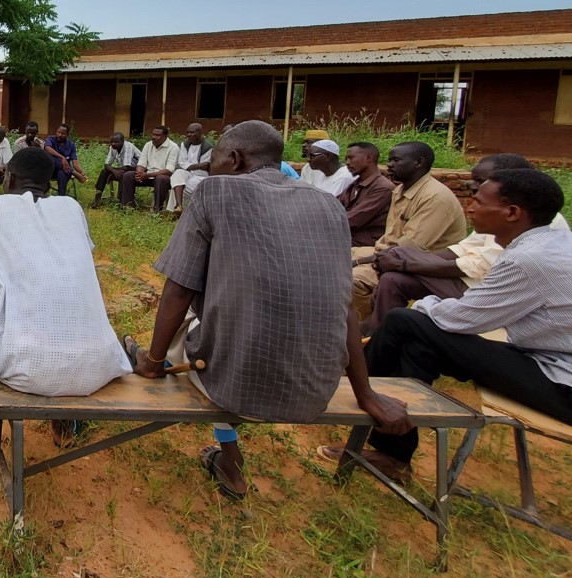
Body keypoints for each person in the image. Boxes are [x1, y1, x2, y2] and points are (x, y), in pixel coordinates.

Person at [126, 120, 410, 498]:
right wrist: (366, 394)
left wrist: (153, 360)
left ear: (235, 158)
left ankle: (229, 462)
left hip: (234, 383)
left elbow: (179, 288)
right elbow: (345, 309)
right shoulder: (328, 205)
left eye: (216, 160)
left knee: (192, 328)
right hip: (313, 389)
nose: (211, 168)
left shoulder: (214, 193)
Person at [321, 168, 572, 481]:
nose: (470, 207)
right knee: (418, 345)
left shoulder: (530, 258)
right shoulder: (553, 243)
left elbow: (462, 319)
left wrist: (425, 307)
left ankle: (356, 395)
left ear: (512, 213)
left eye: (479, 202)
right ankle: (392, 453)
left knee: (404, 320)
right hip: (571, 372)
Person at [0, 148, 131, 453]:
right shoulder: (72, 208)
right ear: (48, 182)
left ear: (9, 177)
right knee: (63, 304)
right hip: (95, 365)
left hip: (26, 366)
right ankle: (63, 425)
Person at [361, 154, 571, 334]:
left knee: (397, 276)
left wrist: (405, 264)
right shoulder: (501, 211)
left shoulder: (537, 221)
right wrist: (400, 257)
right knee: (394, 271)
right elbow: (462, 249)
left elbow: (478, 267)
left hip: (489, 294)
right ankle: (377, 334)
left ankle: (378, 336)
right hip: (468, 280)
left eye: (482, 181)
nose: (475, 188)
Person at [351, 141, 467, 322]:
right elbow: (391, 238)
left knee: (350, 280)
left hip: (419, 262)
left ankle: (367, 328)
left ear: (419, 163)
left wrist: (360, 261)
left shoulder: (434, 197)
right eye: (389, 160)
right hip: (386, 251)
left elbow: (409, 248)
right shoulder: (399, 190)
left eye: (395, 160)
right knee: (331, 258)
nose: (389, 165)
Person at [338, 142, 394, 247]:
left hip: (365, 242)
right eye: (346, 159)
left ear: (369, 158)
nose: (347, 163)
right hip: (347, 236)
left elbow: (354, 219)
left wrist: (322, 223)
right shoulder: (355, 184)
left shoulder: (383, 187)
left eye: (351, 158)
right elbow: (335, 204)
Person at [121, 125, 175, 211]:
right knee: (128, 175)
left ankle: (157, 209)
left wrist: (146, 175)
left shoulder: (173, 147)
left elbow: (169, 170)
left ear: (165, 136)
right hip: (147, 175)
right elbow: (141, 163)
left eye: (157, 135)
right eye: (153, 134)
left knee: (161, 179)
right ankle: (128, 206)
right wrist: (139, 173)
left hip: (164, 178)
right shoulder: (148, 144)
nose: (154, 137)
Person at [167, 123, 214, 215]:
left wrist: (190, 166)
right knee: (177, 173)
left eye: (192, 132)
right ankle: (179, 206)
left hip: (201, 176)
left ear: (200, 133)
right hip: (188, 173)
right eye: (187, 132)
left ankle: (185, 213)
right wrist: (197, 165)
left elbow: (204, 167)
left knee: (180, 185)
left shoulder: (207, 147)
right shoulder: (184, 144)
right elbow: (181, 163)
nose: (188, 134)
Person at [92, 132, 138, 207]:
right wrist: (114, 172)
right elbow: (106, 165)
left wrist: (114, 172)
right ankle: (97, 198)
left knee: (122, 173)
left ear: (123, 141)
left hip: (137, 169)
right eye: (111, 142)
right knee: (104, 171)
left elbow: (127, 166)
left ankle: (122, 201)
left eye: (116, 142)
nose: (113, 144)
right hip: (125, 169)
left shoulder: (128, 147)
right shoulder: (113, 148)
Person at [44, 122, 87, 197]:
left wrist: (81, 172)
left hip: (65, 170)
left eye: (63, 133)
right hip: (50, 170)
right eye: (58, 132)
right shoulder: (50, 139)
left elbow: (75, 162)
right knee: (50, 157)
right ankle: (72, 172)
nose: (59, 135)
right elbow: (47, 148)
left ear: (67, 135)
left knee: (62, 172)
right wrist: (62, 158)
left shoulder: (71, 145)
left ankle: (61, 197)